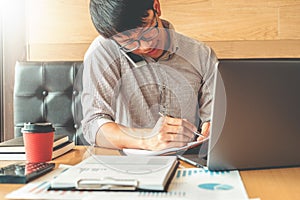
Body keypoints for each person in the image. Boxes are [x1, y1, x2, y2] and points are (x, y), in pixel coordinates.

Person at [81, 0, 218, 151]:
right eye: (129, 43)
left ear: (156, 7)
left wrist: (211, 127)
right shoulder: (103, 52)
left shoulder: (201, 54)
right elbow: (93, 125)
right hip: (129, 163)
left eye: (148, 32)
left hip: (188, 160)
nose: (146, 47)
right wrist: (146, 139)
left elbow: (213, 118)